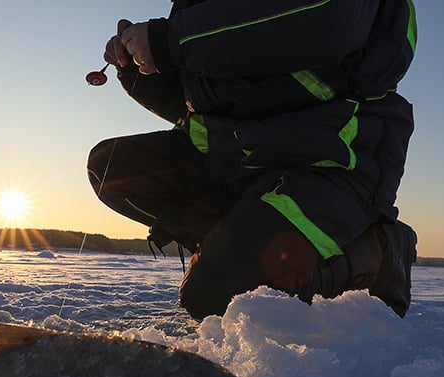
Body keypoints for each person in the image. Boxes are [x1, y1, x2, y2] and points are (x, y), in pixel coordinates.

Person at [87, 0, 419, 321]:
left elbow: (324, 19)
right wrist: (136, 67)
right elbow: (205, 102)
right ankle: (229, 246)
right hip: (239, 157)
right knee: (112, 170)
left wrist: (170, 40)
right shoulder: (200, 9)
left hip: (326, 160)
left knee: (218, 299)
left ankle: (372, 253)